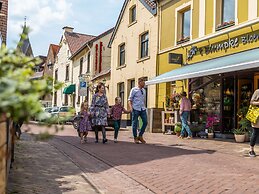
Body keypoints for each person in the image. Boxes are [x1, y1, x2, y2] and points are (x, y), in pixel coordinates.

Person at [128, 77, 148, 144]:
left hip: (142, 108)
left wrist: (144, 106)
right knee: (135, 123)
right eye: (143, 82)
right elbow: (129, 100)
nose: (144, 83)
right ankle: (135, 137)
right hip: (135, 108)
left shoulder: (144, 90)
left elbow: (143, 100)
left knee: (145, 122)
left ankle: (140, 135)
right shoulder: (134, 90)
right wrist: (131, 108)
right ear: (140, 82)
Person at [249, 89, 259, 157]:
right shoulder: (258, 91)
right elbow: (251, 102)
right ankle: (251, 150)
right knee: (255, 133)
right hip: (257, 116)